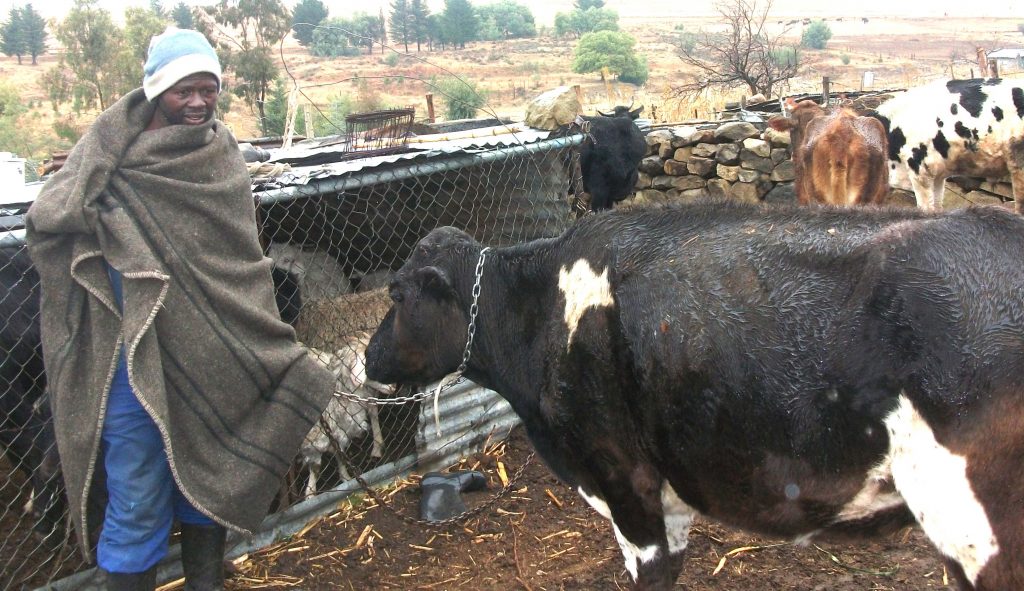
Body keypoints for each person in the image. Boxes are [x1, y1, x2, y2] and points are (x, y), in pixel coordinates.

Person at [25, 28, 335, 590]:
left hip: (211, 351)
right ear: (156, 90)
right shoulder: (109, 155)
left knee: (211, 467)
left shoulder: (222, 157)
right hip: (130, 360)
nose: (196, 102)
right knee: (137, 491)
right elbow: (49, 216)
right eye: (181, 91)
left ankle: (204, 583)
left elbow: (240, 261)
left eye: (207, 89)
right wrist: (110, 225)